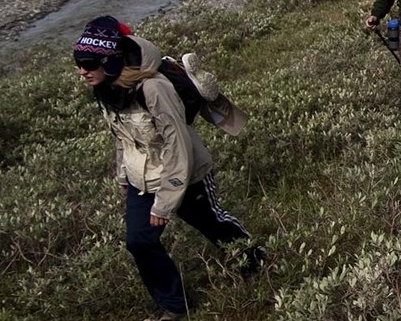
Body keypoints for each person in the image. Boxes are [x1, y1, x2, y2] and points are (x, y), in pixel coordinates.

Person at [75, 16, 263, 321]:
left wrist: (164, 204)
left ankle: (255, 259)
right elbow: (122, 137)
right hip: (142, 178)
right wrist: (124, 175)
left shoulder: (154, 89)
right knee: (139, 242)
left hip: (185, 174)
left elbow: (178, 147)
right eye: (78, 61)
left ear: (109, 61)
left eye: (88, 62)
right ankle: (174, 306)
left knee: (213, 225)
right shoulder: (104, 89)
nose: (81, 70)